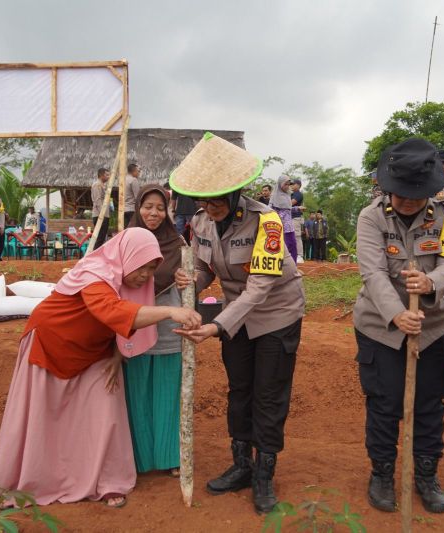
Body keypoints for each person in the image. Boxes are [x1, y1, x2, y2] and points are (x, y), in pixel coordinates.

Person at [0, 228, 201, 509]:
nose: (146, 275)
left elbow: (119, 317)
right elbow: (110, 311)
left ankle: (107, 481)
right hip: (53, 342)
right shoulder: (94, 273)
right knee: (44, 417)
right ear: (128, 256)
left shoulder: (128, 280)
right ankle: (35, 481)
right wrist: (171, 311)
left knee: (105, 413)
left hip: (95, 348)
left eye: (152, 269)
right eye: (143, 266)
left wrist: (116, 354)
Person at [170, 133, 305, 514]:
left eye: (216, 200)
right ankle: (242, 465)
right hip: (237, 317)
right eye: (202, 200)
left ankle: (264, 473)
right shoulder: (200, 223)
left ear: (234, 194)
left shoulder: (268, 222)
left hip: (276, 314)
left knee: (268, 393)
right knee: (240, 389)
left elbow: (260, 287)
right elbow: (202, 267)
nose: (209, 207)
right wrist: (191, 286)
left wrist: (215, 327)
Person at [355, 138, 444, 515]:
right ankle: (382, 473)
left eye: (415, 195)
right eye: (400, 193)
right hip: (379, 327)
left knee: (429, 403)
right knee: (384, 403)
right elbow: (372, 271)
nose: (406, 201)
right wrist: (396, 314)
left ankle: (426, 474)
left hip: (431, 326)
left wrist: (433, 283)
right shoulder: (371, 217)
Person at [125, 185, 186, 476]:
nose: (154, 213)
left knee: (167, 394)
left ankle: (169, 457)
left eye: (160, 208)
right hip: (134, 326)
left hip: (167, 329)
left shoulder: (177, 244)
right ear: (138, 208)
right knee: (136, 395)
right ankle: (138, 459)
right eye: (148, 206)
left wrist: (190, 277)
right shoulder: (123, 241)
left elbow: (195, 273)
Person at [269, 175, 301, 263]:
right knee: (283, 247)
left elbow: (288, 209)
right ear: (280, 184)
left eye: (288, 184)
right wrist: (277, 216)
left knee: (293, 245)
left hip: (289, 227)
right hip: (280, 227)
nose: (287, 186)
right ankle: (282, 267)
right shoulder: (274, 196)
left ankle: (293, 266)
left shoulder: (288, 195)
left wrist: (297, 208)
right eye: (285, 184)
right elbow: (269, 210)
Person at [91, 167, 111, 249]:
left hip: (104, 214)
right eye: (107, 175)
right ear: (101, 175)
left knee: (102, 238)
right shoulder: (97, 185)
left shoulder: (103, 185)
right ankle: (94, 256)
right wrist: (102, 214)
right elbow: (98, 200)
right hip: (100, 215)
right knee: (99, 238)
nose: (108, 177)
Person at [291, 179, 305, 263]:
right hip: (289, 217)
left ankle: (300, 255)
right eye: (291, 184)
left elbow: (290, 203)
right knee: (290, 236)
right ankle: (293, 254)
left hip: (296, 217)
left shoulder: (298, 194)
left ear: (299, 185)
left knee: (297, 236)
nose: (291, 186)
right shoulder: (291, 194)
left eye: (293, 184)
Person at [123, 163, 142, 227]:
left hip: (124, 209)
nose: (138, 173)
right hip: (132, 208)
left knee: (126, 229)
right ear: (133, 171)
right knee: (133, 228)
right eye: (138, 171)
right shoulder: (133, 180)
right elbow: (137, 196)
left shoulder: (123, 180)